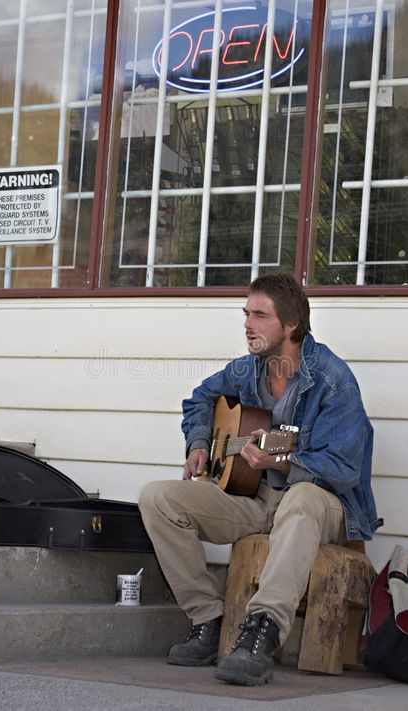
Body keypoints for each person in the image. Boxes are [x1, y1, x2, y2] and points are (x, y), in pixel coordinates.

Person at [139, 272, 382, 686]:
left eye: (259, 316)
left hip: (322, 504)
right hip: (257, 497)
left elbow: (341, 470)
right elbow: (199, 397)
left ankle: (262, 630)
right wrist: (200, 442)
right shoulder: (245, 371)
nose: (247, 325)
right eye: (245, 314)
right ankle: (207, 620)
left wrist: (283, 461)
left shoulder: (334, 381)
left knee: (302, 497)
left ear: (291, 325)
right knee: (158, 498)